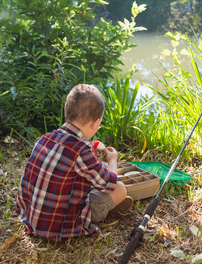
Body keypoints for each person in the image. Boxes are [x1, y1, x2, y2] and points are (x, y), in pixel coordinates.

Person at [16, 84, 133, 242]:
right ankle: (104, 211)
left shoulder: (44, 138)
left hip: (32, 218)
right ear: (95, 123)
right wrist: (112, 160)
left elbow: (67, 156)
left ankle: (105, 206)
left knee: (87, 179)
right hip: (61, 226)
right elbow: (109, 183)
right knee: (120, 189)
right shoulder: (82, 150)